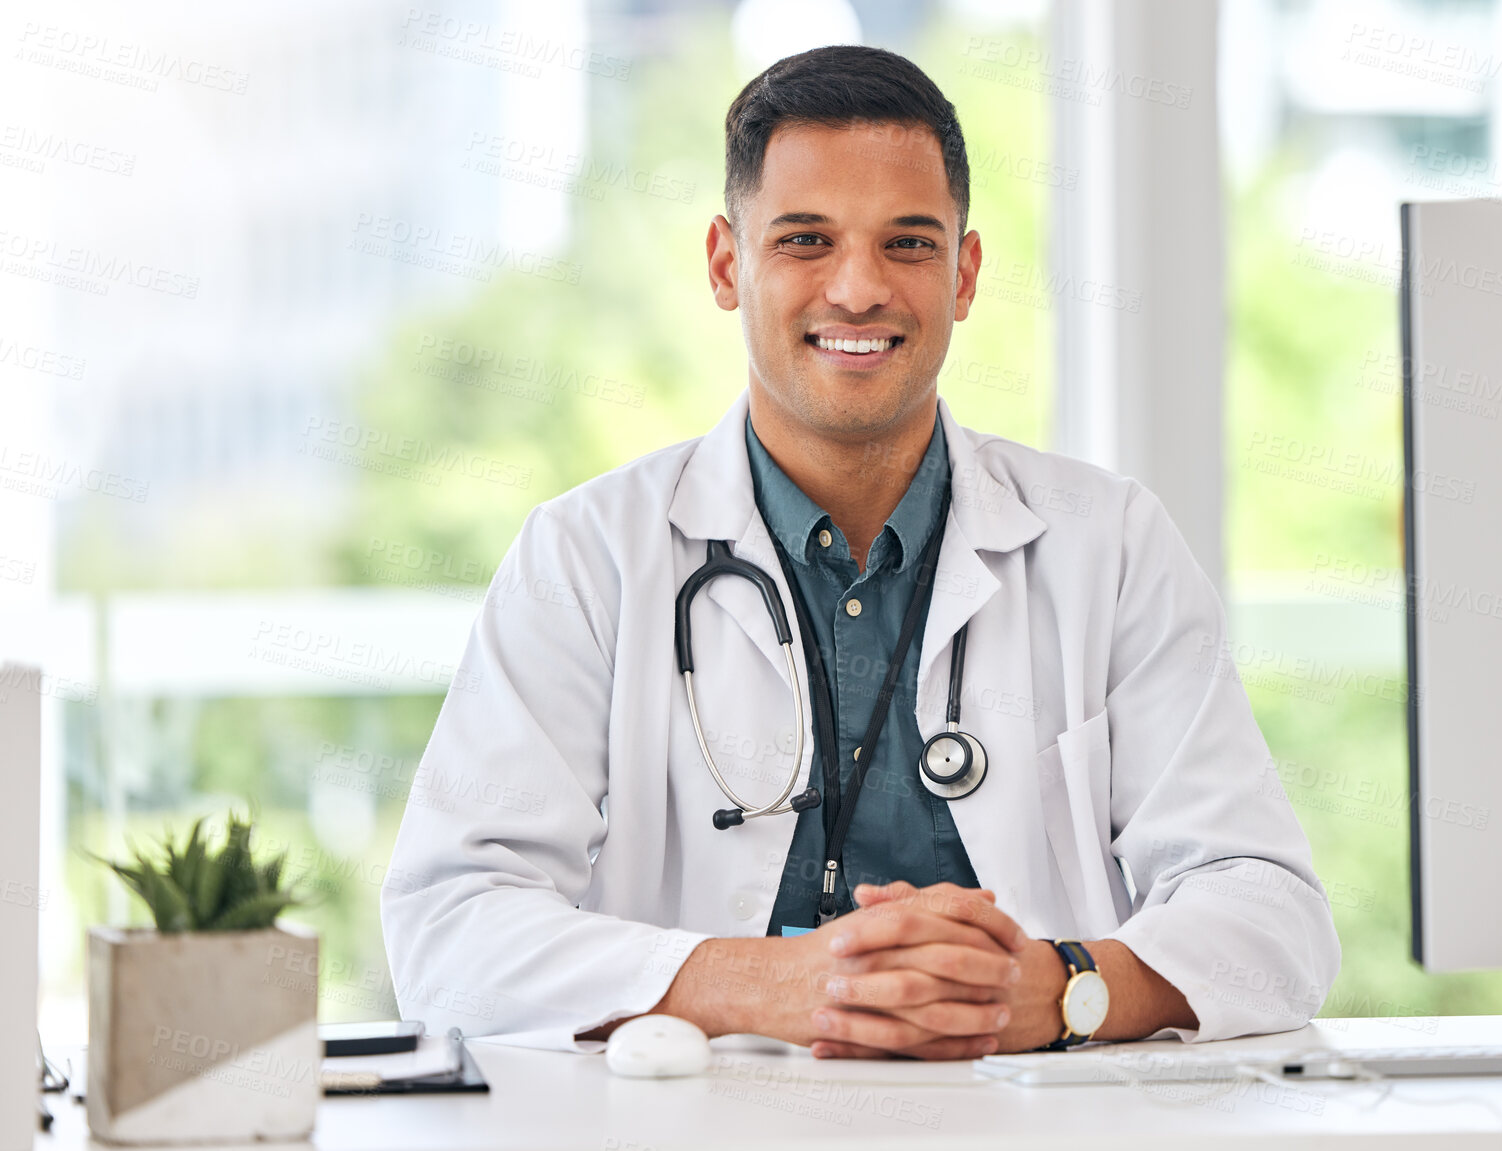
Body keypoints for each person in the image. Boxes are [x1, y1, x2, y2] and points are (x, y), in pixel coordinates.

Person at [382, 44, 1338, 1061]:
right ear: (724, 263)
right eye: (804, 239)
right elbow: (448, 931)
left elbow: (1270, 912)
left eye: (908, 244)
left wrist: (1062, 988)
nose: (857, 287)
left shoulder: (1110, 545)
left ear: (963, 274)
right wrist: (761, 984)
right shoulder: (587, 557)